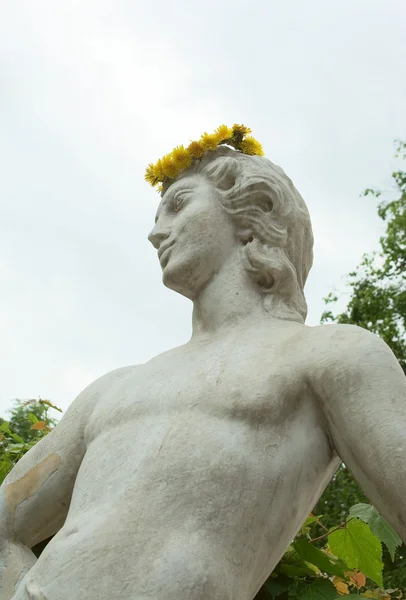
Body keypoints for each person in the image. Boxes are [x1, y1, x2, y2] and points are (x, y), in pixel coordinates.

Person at [1, 144, 405, 600]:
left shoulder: (328, 355)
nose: (156, 233)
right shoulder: (111, 390)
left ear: (256, 211)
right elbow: (4, 524)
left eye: (178, 205)